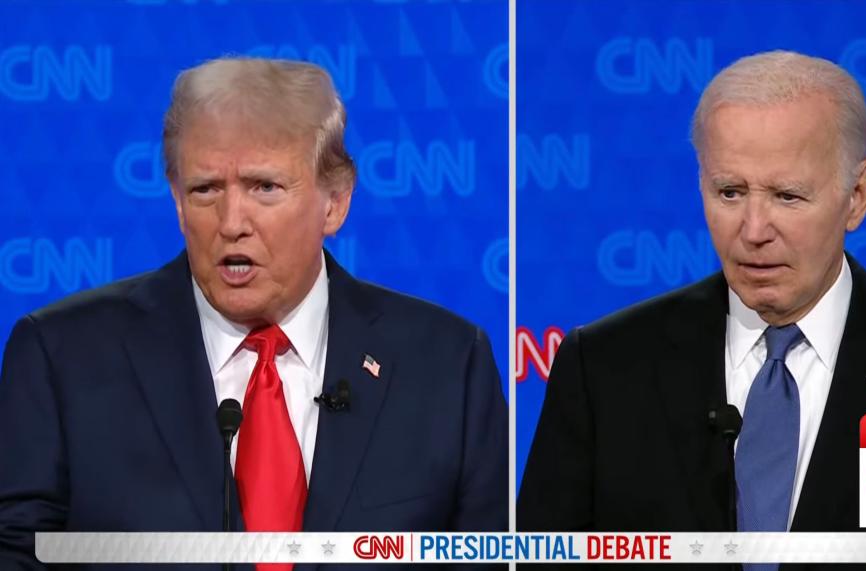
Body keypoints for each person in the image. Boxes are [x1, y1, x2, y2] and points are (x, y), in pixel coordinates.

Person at [517, 50, 866, 567]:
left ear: (857, 195)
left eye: (787, 196)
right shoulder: (604, 368)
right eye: (730, 192)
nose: (754, 231)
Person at [0, 57, 508, 569]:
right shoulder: (62, 358)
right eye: (206, 190)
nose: (232, 222)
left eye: (264, 187)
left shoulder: (447, 366)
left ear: (334, 202)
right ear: (177, 201)